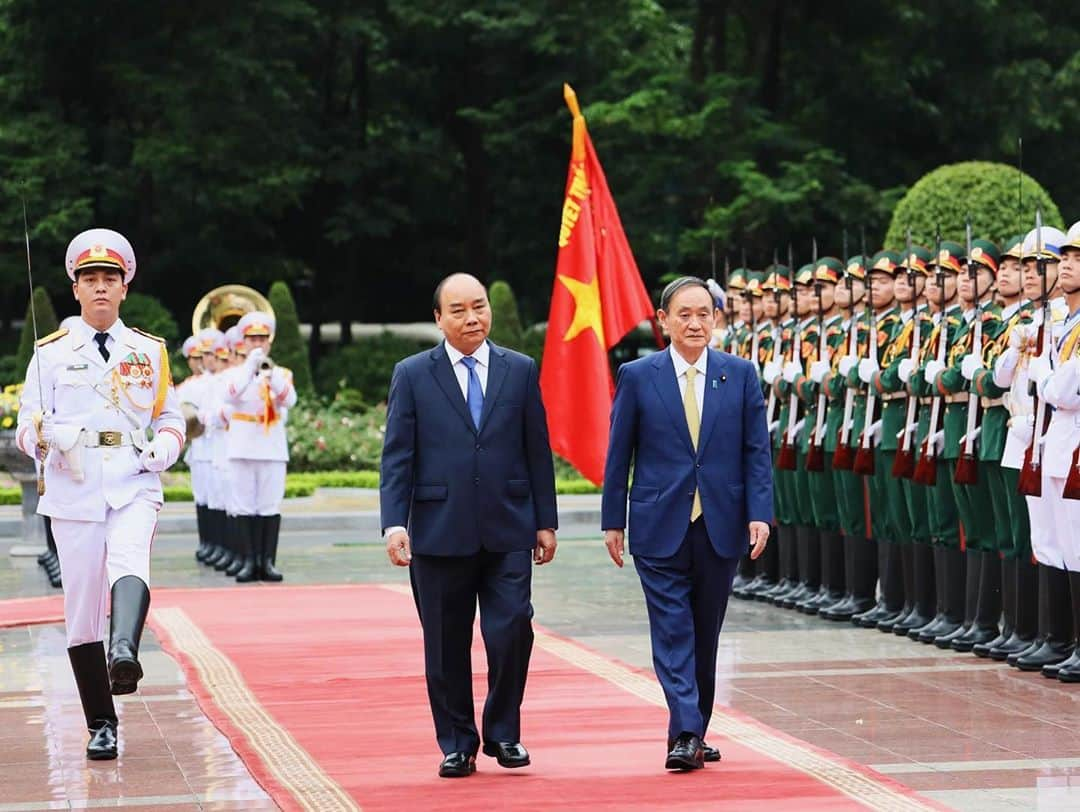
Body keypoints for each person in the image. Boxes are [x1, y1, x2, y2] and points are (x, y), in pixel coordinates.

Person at [380, 273, 558, 778]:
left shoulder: (519, 370)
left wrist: (546, 521)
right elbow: (398, 457)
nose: (472, 317)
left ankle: (504, 732)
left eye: (478, 307)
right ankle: (457, 742)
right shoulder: (413, 374)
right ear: (438, 318)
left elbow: (535, 449)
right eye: (457, 310)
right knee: (445, 643)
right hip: (438, 532)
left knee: (511, 631)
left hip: (509, 527)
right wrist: (395, 524)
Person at [16, 228, 185, 760]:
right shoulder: (50, 354)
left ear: (124, 287)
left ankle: (124, 652)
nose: (100, 288)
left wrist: (164, 446)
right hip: (75, 483)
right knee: (82, 603)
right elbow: (24, 425)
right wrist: (43, 437)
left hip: (133, 477)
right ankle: (100, 722)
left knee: (132, 558)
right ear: (76, 289)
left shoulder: (148, 351)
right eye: (90, 279)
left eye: (110, 278)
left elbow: (171, 416)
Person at [601, 276, 772, 771]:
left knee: (704, 632)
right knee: (673, 629)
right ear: (664, 321)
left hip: (721, 522)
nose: (695, 323)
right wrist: (614, 519)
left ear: (716, 319)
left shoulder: (739, 375)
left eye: (704, 313)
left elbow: (755, 451)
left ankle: (690, 729)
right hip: (659, 522)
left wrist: (760, 513)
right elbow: (619, 454)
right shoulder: (638, 375)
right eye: (685, 314)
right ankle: (688, 730)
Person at [222, 311, 297, 581]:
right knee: (244, 505)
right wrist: (249, 369)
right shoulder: (233, 373)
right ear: (243, 342)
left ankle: (267, 562)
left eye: (262, 339)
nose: (258, 344)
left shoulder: (282, 372)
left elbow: (290, 400)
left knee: (269, 505)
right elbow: (228, 395)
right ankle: (248, 561)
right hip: (242, 445)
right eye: (252, 339)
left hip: (271, 447)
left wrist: (270, 374)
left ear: (269, 342)